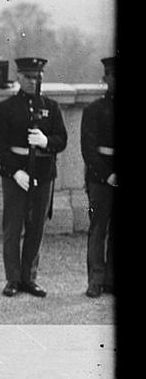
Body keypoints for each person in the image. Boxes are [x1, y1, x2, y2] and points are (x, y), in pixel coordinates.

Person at [0, 56, 67, 298]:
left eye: (37, 77)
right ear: (19, 78)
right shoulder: (6, 108)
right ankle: (12, 278)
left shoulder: (51, 107)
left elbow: (61, 140)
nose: (33, 82)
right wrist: (16, 171)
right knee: (13, 227)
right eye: (28, 77)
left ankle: (29, 278)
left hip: (43, 173)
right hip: (16, 174)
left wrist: (46, 141)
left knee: (36, 228)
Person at [80, 55, 115, 298]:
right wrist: (107, 175)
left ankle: (112, 280)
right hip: (100, 178)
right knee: (98, 229)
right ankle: (96, 280)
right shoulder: (94, 110)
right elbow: (88, 148)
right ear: (105, 79)